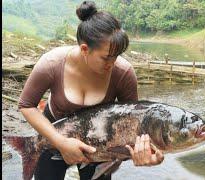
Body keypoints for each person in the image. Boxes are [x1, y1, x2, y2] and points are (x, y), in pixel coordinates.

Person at [18, 1, 164, 180]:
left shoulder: (124, 73)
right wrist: (61, 143)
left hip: (101, 143)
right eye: (106, 58)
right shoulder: (51, 63)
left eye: (117, 55)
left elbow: (134, 123)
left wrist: (145, 153)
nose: (113, 63)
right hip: (54, 132)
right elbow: (26, 105)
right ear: (85, 49)